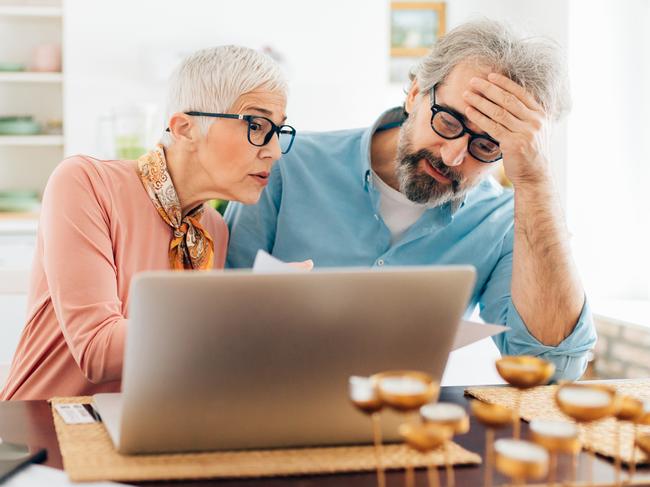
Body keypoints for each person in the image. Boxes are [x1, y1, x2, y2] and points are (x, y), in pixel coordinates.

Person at [225, 20, 596, 380]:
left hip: (405, 430)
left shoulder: (501, 224)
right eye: (448, 122)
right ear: (415, 94)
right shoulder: (285, 167)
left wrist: (535, 180)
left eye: (485, 146)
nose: (453, 156)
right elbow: (215, 318)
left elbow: (552, 367)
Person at [2, 46, 297, 400]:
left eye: (278, 130)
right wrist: (247, 310)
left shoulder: (212, 228)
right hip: (41, 432)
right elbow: (98, 351)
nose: (274, 151)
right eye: (257, 125)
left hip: (141, 429)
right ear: (185, 128)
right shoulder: (85, 183)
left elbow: (188, 359)